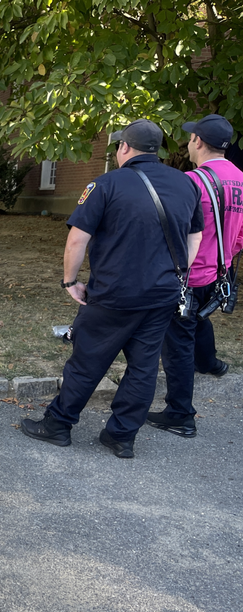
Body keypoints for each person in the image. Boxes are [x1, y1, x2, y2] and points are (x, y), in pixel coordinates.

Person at [22, 119, 203, 459]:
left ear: (124, 147)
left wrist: (70, 281)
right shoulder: (185, 185)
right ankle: (121, 436)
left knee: (87, 360)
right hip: (162, 293)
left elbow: (77, 239)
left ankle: (58, 424)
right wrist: (181, 271)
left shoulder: (106, 184)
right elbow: (196, 235)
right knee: (144, 367)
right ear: (158, 150)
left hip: (114, 294)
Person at [148, 114, 243, 438]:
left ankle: (180, 414)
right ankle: (211, 363)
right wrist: (227, 257)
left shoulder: (193, 181)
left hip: (190, 274)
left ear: (198, 142)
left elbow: (175, 231)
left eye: (190, 138)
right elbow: (240, 234)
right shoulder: (241, 178)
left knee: (177, 344)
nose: (189, 143)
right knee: (199, 318)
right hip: (220, 272)